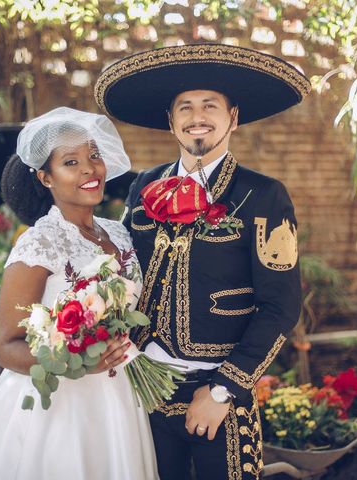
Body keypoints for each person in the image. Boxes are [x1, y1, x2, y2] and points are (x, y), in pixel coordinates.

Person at [94, 44, 311, 479]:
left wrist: (223, 389)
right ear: (170, 120)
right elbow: (121, 273)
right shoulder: (143, 185)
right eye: (185, 107)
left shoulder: (264, 195)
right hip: (143, 389)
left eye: (210, 105)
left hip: (219, 396)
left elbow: (280, 307)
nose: (198, 115)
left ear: (232, 117)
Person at [0, 107, 158, 480]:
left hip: (119, 395)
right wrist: (80, 363)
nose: (89, 169)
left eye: (94, 156)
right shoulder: (39, 243)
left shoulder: (119, 233)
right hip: (60, 403)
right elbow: (5, 346)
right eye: (71, 162)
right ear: (45, 177)